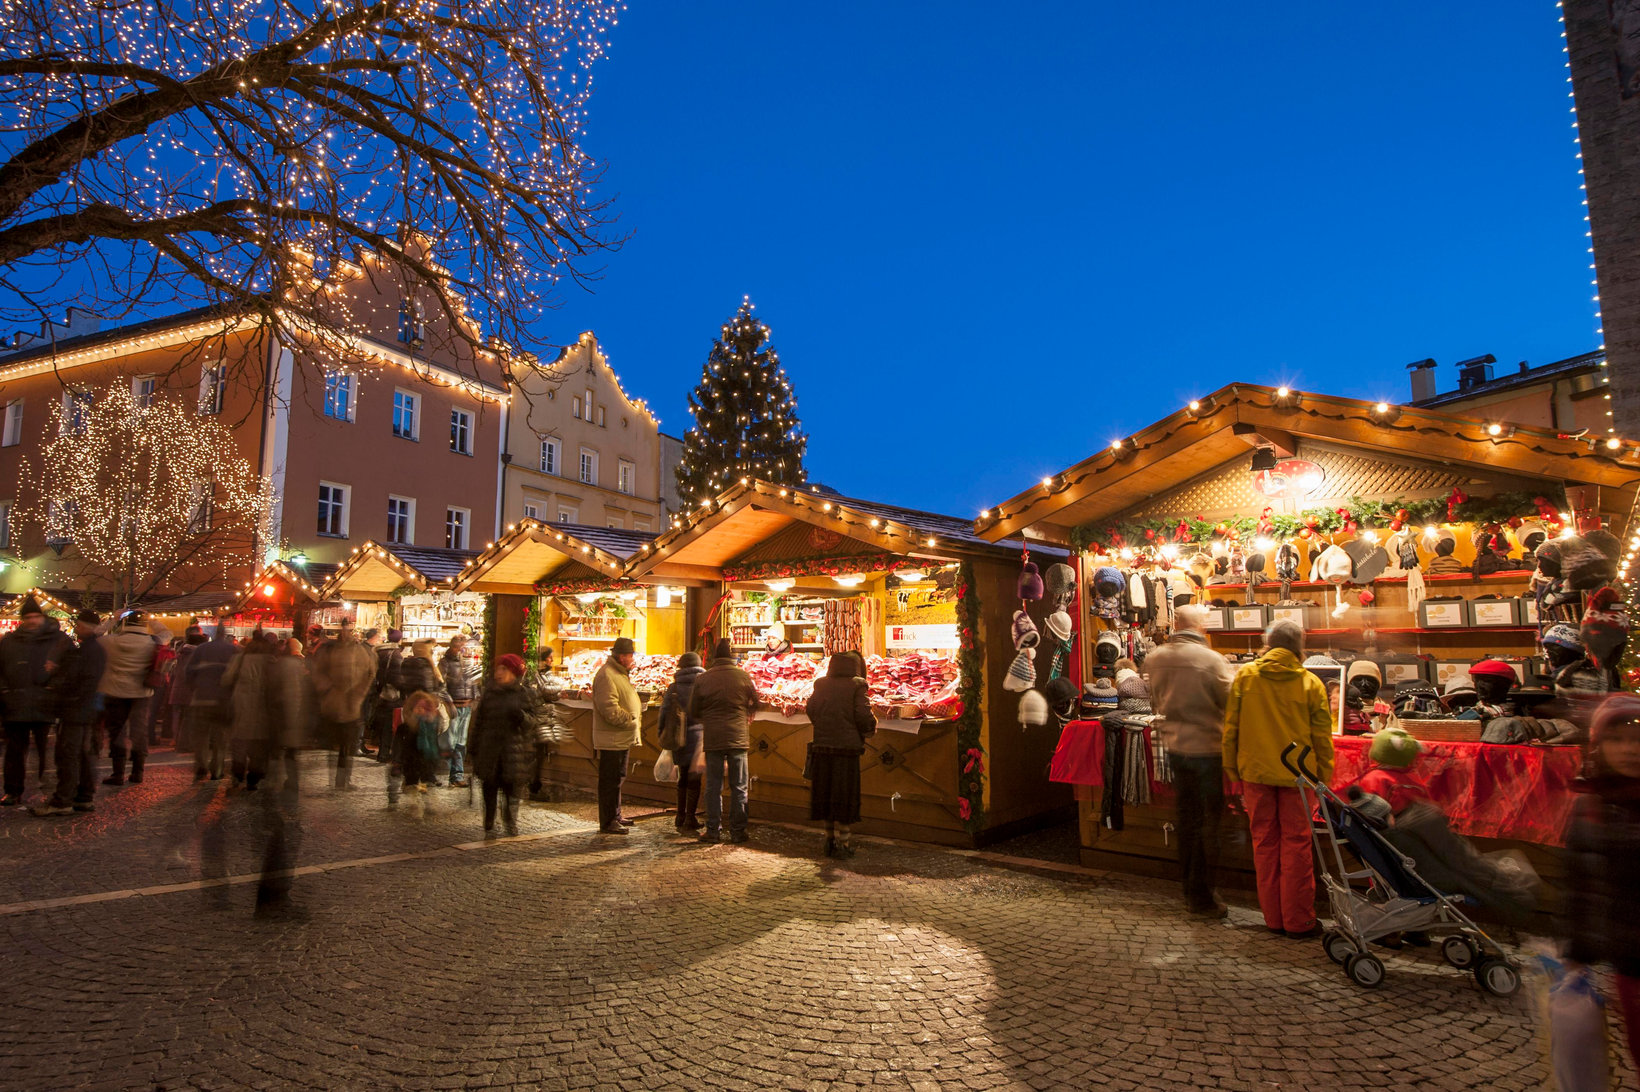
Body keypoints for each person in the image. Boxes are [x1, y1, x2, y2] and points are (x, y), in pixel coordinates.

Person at [1223, 617, 1334, 939]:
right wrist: (1323, 776)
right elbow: (1322, 737)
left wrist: (1233, 769)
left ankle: (1273, 918)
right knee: (1297, 845)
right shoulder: (1311, 683)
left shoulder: (1246, 677)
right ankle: (1299, 921)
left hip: (1255, 773)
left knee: (1264, 844)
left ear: (1269, 644)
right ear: (1299, 647)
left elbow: (1231, 730)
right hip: (1299, 776)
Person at [1145, 605, 1236, 917]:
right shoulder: (1212, 661)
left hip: (1174, 747)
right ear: (1201, 627)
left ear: (1175, 624)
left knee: (1186, 820)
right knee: (1208, 824)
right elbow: (1231, 704)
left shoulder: (1156, 658)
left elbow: (1155, 701)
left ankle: (1188, 888)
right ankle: (1202, 896)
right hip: (1207, 749)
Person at [1567, 693, 1640, 1075]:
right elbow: (1583, 880)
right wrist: (1579, 950)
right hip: (1630, 958)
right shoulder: (1591, 805)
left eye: (1637, 738)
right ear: (1599, 744)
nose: (1629, 749)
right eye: (1617, 738)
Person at [31, 610, 106, 815]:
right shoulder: (90, 649)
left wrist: (56, 674)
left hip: (76, 710)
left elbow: (79, 680)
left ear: (87, 627)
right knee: (81, 754)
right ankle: (83, 796)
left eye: (79, 625)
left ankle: (63, 800)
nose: (76, 629)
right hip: (83, 709)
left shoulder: (87, 651)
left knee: (68, 755)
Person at [686, 638, 759, 844]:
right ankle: (738, 831)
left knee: (713, 786)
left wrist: (708, 718)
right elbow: (756, 701)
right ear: (731, 657)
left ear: (715, 658)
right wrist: (748, 713)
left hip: (714, 737)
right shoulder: (743, 676)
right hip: (738, 738)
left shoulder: (704, 678)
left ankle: (713, 830)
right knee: (739, 787)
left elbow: (692, 710)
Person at [0, 595, 71, 805]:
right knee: (14, 753)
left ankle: (48, 789)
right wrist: (4, 690)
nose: (32, 621)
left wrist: (55, 686)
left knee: (47, 753)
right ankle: (13, 791)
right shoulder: (10, 642)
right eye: (28, 617)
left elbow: (69, 668)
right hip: (16, 705)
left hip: (45, 705)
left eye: (35, 616)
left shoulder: (58, 641)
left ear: (42, 617)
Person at [805, 651, 876, 858]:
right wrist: (869, 729)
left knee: (826, 793)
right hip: (847, 749)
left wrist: (823, 725)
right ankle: (844, 844)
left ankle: (829, 839)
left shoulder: (821, 683)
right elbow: (863, 713)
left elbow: (811, 709)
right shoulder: (857, 684)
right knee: (844, 794)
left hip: (823, 747)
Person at [467, 654, 534, 836]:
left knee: (511, 789)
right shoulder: (489, 694)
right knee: (489, 787)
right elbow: (479, 722)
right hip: (489, 749)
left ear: (513, 673)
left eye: (504, 669)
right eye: (498, 668)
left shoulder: (523, 694)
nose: (499, 672)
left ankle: (510, 821)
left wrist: (521, 716)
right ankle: (489, 822)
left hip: (512, 751)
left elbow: (532, 723)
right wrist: (472, 748)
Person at [309, 618, 378, 790]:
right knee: (341, 746)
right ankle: (340, 779)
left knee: (344, 746)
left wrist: (357, 694)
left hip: (347, 705)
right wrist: (330, 691)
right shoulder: (338, 651)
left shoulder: (356, 651)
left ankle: (341, 779)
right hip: (339, 704)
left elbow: (369, 674)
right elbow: (318, 673)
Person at [99, 611, 159, 787]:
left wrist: (113, 619)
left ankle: (117, 774)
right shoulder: (152, 642)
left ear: (125, 624)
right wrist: (153, 620)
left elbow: (93, 634)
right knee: (139, 732)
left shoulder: (110, 641)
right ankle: (138, 772)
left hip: (115, 692)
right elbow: (167, 634)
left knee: (117, 732)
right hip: (141, 693)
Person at [591, 636, 643, 835]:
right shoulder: (607, 675)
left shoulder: (619, 673)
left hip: (620, 737)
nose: (632, 659)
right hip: (612, 737)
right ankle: (608, 821)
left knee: (618, 777)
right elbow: (609, 708)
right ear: (622, 657)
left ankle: (616, 815)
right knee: (610, 780)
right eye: (630, 655)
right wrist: (628, 719)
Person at [220, 632, 279, 789]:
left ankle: (237, 772)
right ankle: (253, 778)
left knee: (239, 741)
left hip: (240, 704)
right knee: (259, 744)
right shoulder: (271, 662)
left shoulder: (239, 659)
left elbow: (226, 680)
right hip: (263, 707)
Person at [658, 652, 706, 831]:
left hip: (678, 737)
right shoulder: (703, 685)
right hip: (698, 737)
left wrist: (661, 735)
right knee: (694, 779)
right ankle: (690, 817)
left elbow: (663, 713)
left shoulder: (674, 687)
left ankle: (680, 815)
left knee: (682, 777)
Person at [186, 624, 238, 781]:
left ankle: (201, 765)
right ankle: (217, 769)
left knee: (201, 735)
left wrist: (195, 689)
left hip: (202, 698)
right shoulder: (234, 651)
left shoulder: (201, 649)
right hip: (223, 701)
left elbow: (188, 673)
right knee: (220, 737)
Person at [440, 636, 476, 789]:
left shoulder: (467, 661)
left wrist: (475, 697)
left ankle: (457, 775)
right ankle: (450, 773)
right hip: (453, 706)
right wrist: (448, 702)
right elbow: (440, 685)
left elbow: (472, 681)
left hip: (466, 706)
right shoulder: (445, 663)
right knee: (451, 741)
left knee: (461, 741)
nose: (464, 650)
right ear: (454, 647)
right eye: (461, 647)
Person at [368, 628, 405, 761]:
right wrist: (403, 689)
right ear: (399, 639)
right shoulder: (395, 655)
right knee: (391, 725)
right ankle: (385, 754)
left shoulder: (379, 652)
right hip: (392, 694)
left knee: (383, 724)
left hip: (380, 692)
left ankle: (382, 752)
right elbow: (397, 678)